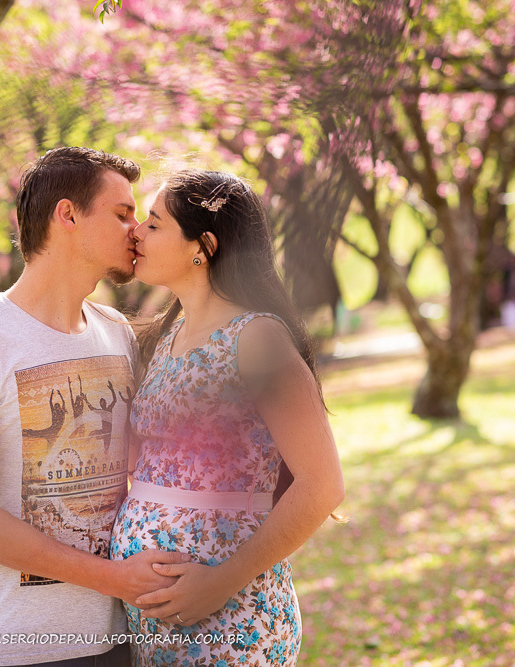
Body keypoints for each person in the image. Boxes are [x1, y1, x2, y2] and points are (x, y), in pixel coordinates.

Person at [0, 147, 188, 667]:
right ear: (67, 216)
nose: (136, 230)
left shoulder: (116, 334)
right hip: (15, 651)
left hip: (119, 640)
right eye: (121, 213)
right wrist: (117, 578)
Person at [110, 170, 346, 666]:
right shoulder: (163, 339)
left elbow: (322, 485)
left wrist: (219, 582)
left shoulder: (255, 339)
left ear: (204, 246)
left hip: (231, 613)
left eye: (154, 223)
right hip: (157, 622)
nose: (137, 232)